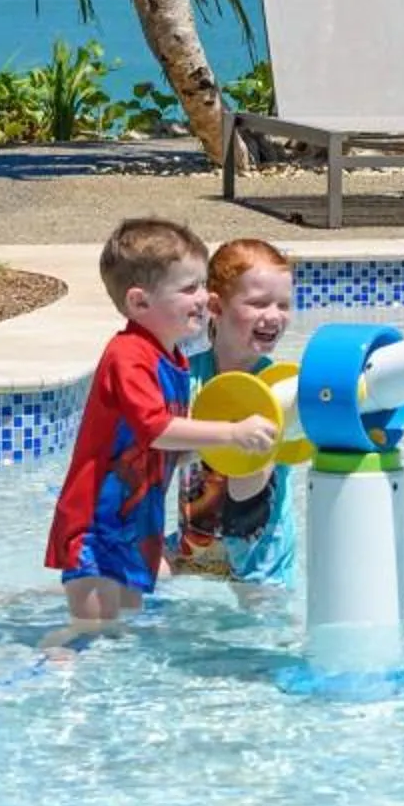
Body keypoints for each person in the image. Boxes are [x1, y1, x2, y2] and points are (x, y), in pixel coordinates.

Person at [44, 216, 276, 642]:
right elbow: (155, 429)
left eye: (203, 285)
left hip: (136, 527)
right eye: (189, 288)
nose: (205, 297)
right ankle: (50, 672)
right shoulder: (128, 356)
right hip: (96, 527)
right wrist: (230, 433)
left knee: (120, 632)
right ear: (139, 303)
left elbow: (168, 447)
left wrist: (222, 453)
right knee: (88, 631)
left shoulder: (173, 361)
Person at [172, 238, 301, 597]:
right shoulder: (186, 379)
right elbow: (159, 453)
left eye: (284, 305)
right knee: (109, 579)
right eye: (258, 303)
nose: (274, 315)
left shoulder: (280, 389)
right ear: (216, 306)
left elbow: (247, 489)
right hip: (193, 548)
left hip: (261, 568)